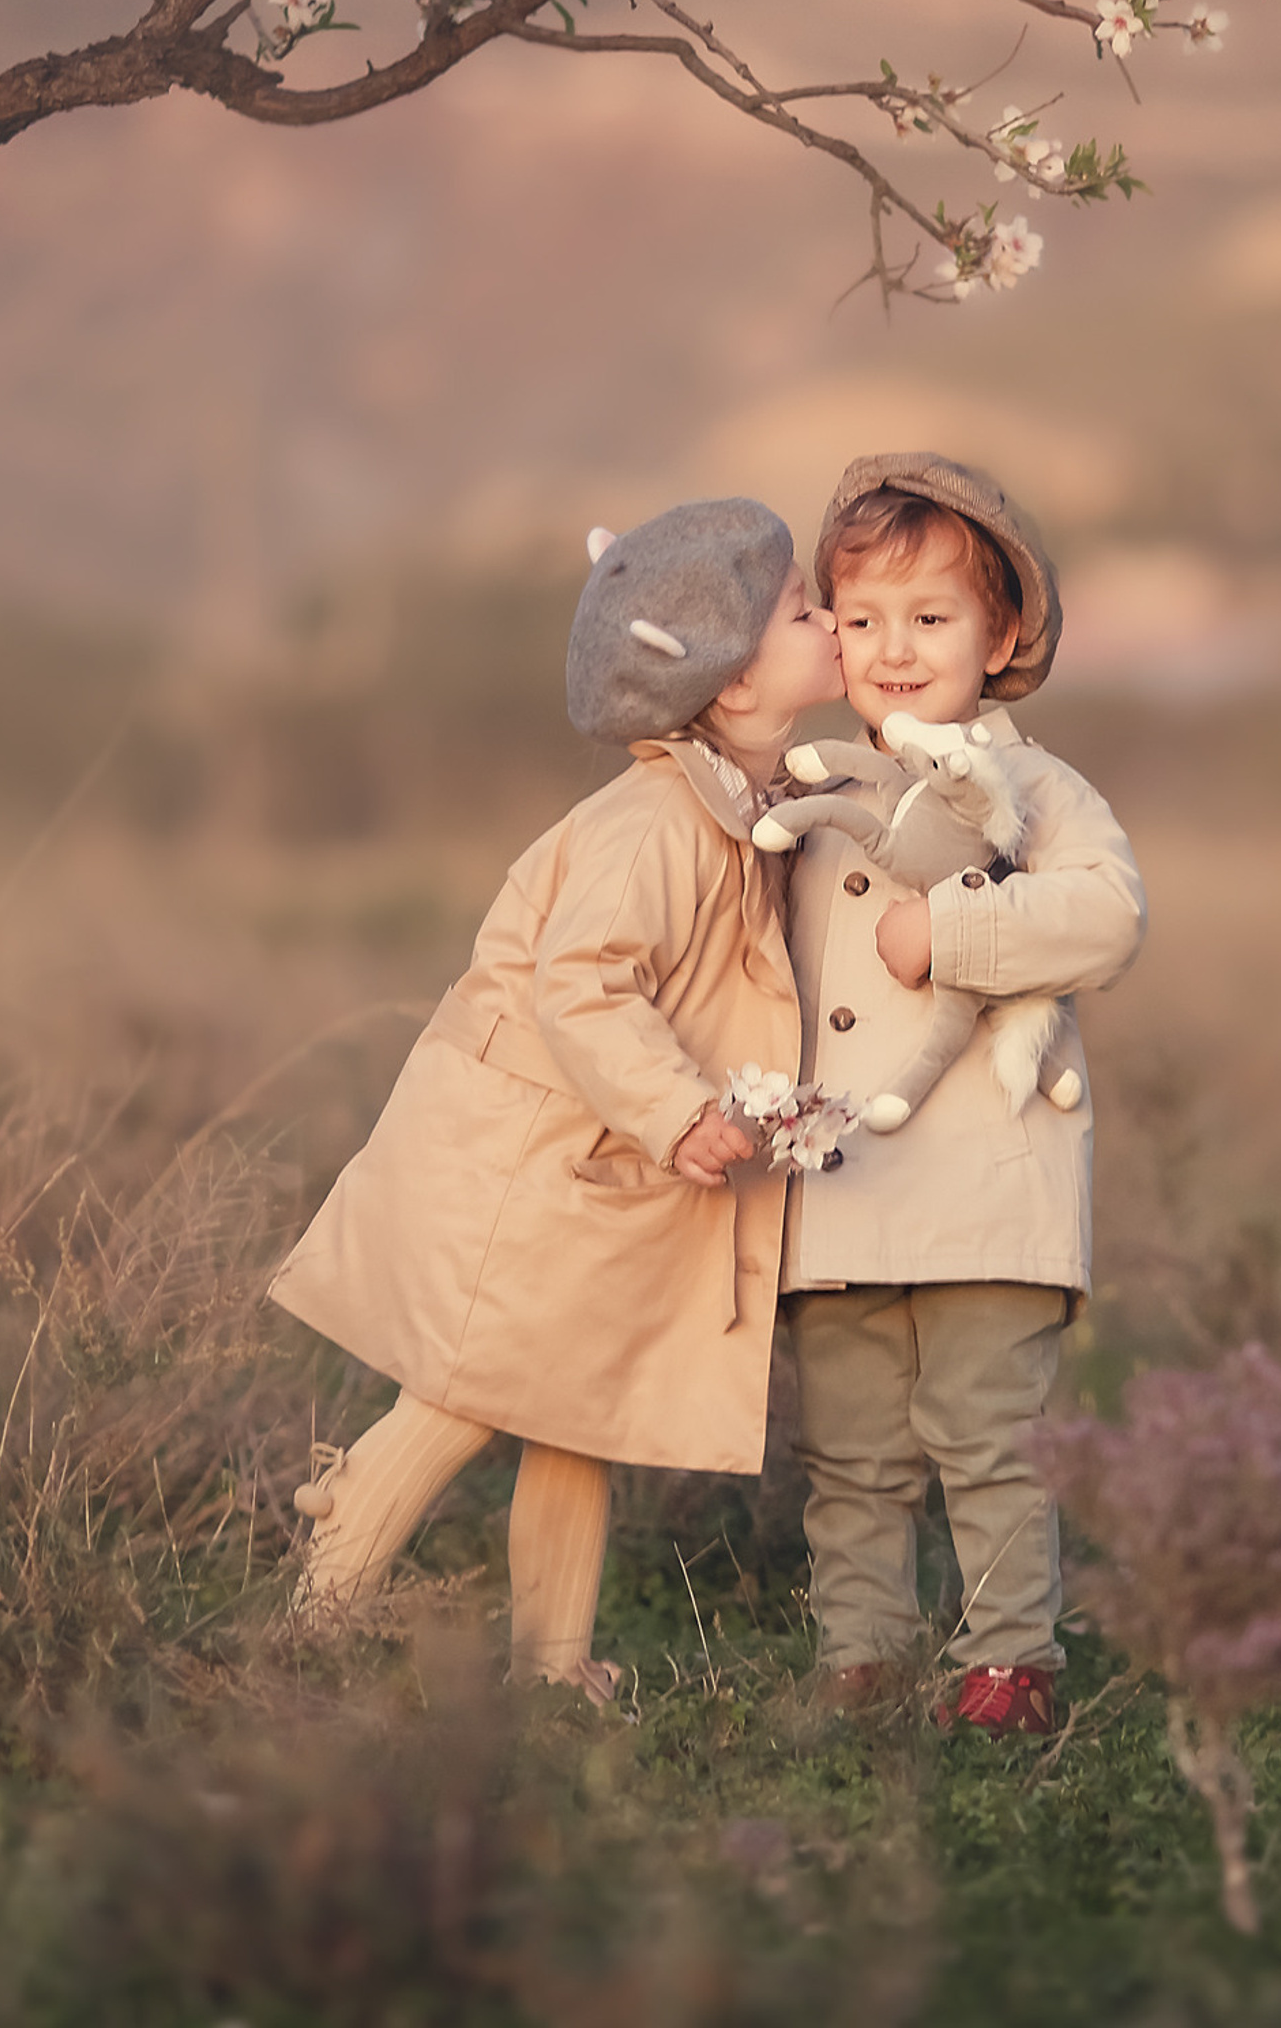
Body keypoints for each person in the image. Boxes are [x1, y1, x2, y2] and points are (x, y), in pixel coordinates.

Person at [267, 497, 845, 1699]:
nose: (832, 619)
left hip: (601, 1170)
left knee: (580, 1410)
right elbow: (578, 985)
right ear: (731, 685)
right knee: (469, 1390)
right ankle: (323, 1599)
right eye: (803, 609)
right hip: (542, 1161)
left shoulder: (734, 811)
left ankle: (551, 1665)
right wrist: (682, 1110)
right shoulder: (657, 825)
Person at [779, 452, 1147, 1733]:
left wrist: (952, 936)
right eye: (862, 616)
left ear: (1000, 637)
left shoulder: (1030, 785)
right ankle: (862, 1659)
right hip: (838, 1186)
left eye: (930, 618)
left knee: (987, 1439)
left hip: (991, 1181)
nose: (893, 648)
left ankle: (1008, 1664)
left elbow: (1105, 917)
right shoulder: (809, 787)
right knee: (855, 1455)